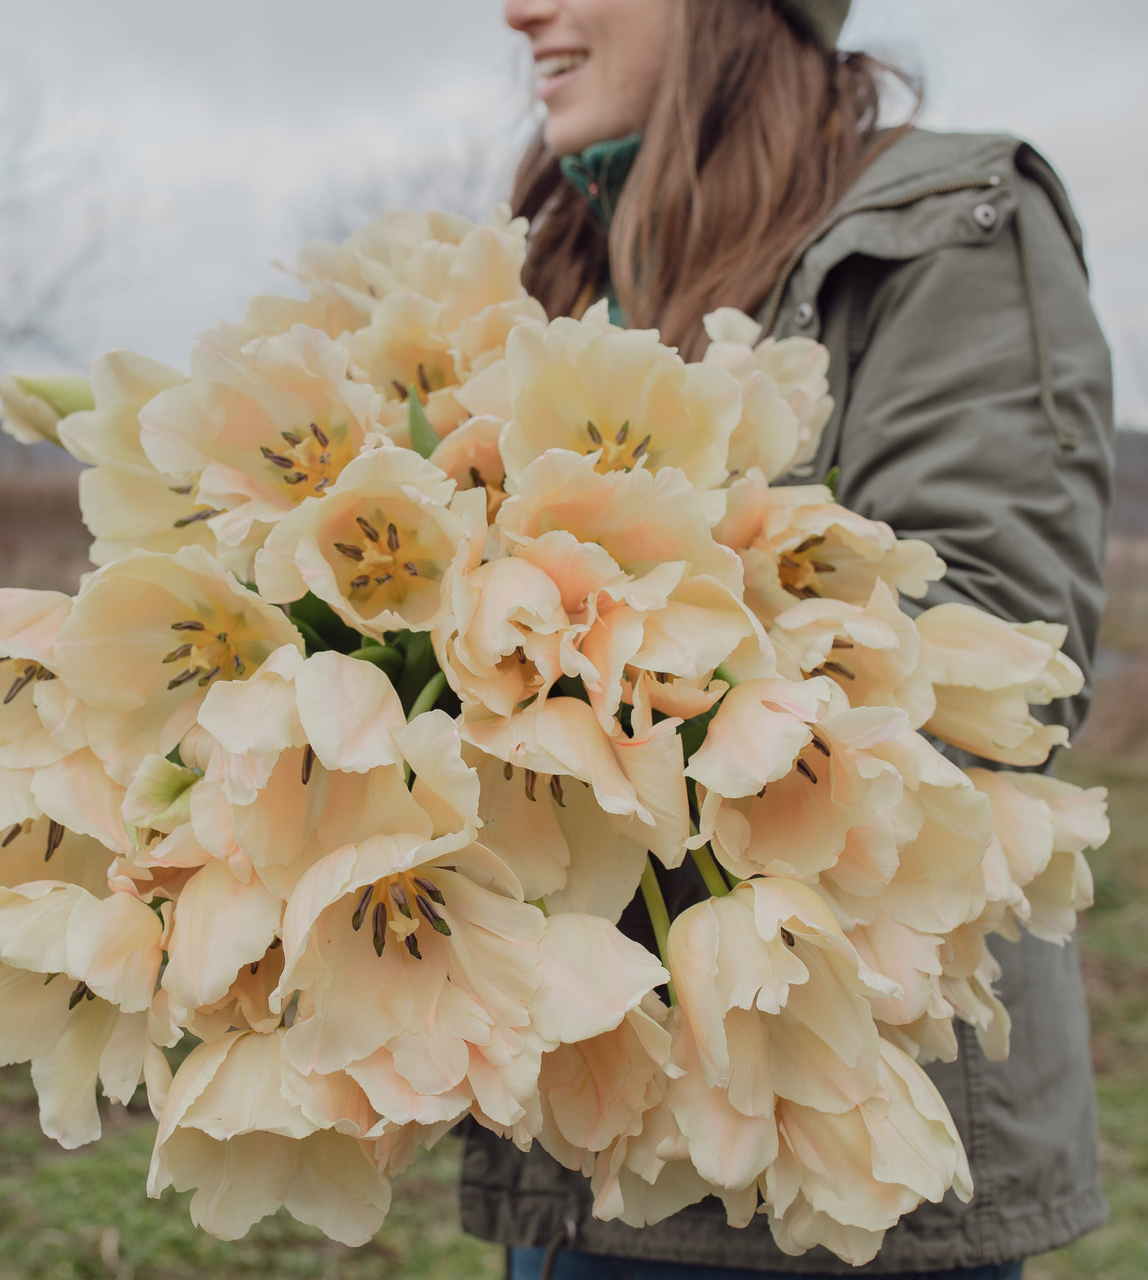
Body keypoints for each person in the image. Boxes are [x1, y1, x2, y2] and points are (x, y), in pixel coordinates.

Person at [459, 1, 1115, 1277]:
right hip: (586, 1117)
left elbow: (992, 628)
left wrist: (579, 642)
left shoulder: (946, 225)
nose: (517, 8)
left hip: (838, 1134)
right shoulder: (564, 263)